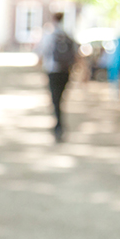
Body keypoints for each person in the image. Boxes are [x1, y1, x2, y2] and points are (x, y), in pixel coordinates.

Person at [34, 11, 76, 142]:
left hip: (53, 70)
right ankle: (59, 124)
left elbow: (40, 51)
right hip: (65, 71)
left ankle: (58, 126)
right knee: (61, 98)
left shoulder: (50, 35)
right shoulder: (68, 34)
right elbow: (75, 53)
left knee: (55, 98)